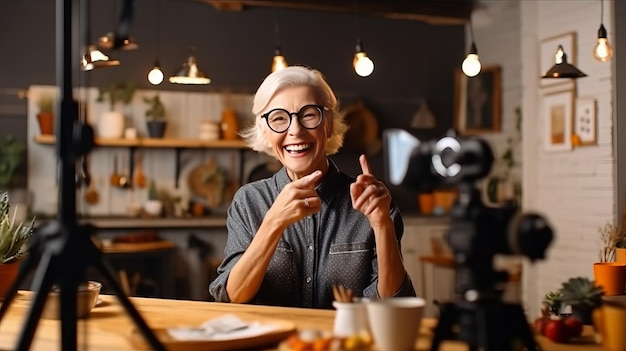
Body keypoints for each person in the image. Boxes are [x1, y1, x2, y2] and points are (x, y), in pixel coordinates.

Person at [209, 65, 415, 309]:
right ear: (265, 131)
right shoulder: (249, 201)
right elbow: (232, 297)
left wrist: (382, 226)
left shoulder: (372, 201)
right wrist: (274, 222)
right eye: (279, 118)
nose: (295, 130)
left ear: (328, 124)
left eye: (308, 115)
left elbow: (394, 304)